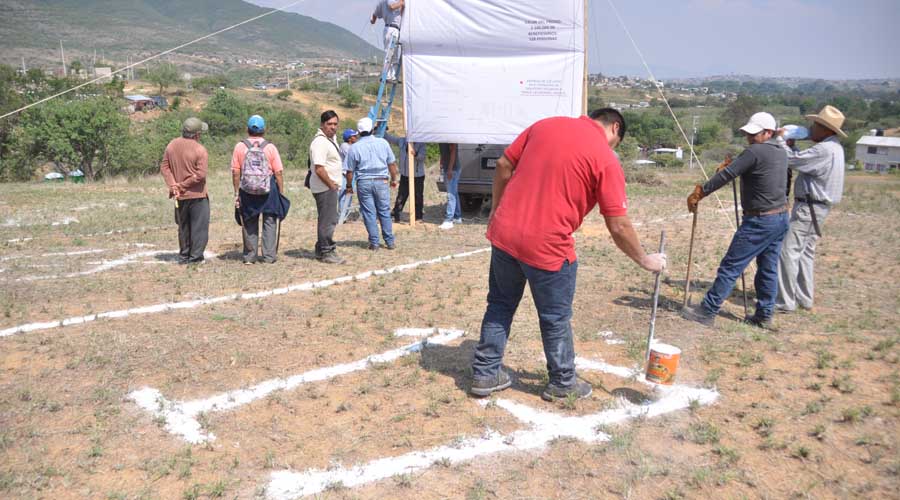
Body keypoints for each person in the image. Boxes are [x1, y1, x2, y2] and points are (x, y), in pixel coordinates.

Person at [469, 108, 667, 401]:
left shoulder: (544, 125)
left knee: (499, 304)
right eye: (617, 141)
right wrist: (644, 259)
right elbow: (618, 224)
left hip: (505, 235)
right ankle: (562, 382)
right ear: (614, 128)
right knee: (555, 318)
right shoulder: (604, 158)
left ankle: (485, 374)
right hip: (548, 246)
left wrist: (498, 210)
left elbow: (502, 165)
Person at [682, 112, 790, 329]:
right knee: (768, 268)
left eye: (754, 134)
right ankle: (764, 316)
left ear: (768, 133)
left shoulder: (755, 151)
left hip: (760, 221)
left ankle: (707, 310)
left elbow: (726, 176)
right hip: (780, 217)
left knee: (731, 266)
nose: (749, 138)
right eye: (748, 134)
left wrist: (700, 192)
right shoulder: (781, 152)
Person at [775, 105, 847, 313]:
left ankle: (785, 302)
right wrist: (793, 147)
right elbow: (804, 162)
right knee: (805, 253)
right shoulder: (833, 148)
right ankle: (804, 298)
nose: (811, 128)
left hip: (809, 208)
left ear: (826, 129)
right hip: (818, 208)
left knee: (788, 252)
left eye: (816, 125)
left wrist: (780, 140)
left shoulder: (823, 149)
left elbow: (791, 160)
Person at [231, 115, 289, 264]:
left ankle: (250, 256)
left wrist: (236, 191)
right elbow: (279, 172)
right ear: (264, 130)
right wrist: (281, 192)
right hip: (269, 189)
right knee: (269, 220)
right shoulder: (270, 147)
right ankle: (269, 256)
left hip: (247, 189)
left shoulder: (240, 146)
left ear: (247, 129)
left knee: (249, 220)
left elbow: (236, 171)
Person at [160, 117, 210, 265]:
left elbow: (164, 167)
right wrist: (180, 186)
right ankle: (195, 258)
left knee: (183, 227)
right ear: (196, 135)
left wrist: (173, 185)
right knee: (199, 228)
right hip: (197, 196)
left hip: (179, 196)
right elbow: (200, 175)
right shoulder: (200, 150)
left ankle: (184, 256)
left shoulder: (171, 145)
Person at [345, 117, 399, 250]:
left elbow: (350, 171)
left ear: (358, 131)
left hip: (364, 182)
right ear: (371, 129)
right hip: (381, 180)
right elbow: (391, 164)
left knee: (369, 213)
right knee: (384, 211)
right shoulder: (383, 143)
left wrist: (349, 186)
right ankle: (389, 241)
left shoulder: (354, 147)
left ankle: (374, 243)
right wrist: (394, 179)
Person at [309, 110, 345, 264]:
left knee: (326, 219)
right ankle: (327, 251)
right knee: (328, 221)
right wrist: (331, 185)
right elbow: (319, 168)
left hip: (328, 187)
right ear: (322, 125)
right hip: (325, 187)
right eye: (329, 124)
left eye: (335, 124)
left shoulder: (329, 139)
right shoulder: (320, 142)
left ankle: (321, 249)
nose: (333, 127)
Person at [385, 132, 426, 222]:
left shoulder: (421, 143)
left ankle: (418, 217)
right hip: (405, 175)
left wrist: (415, 155)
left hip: (417, 176)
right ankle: (396, 214)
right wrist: (382, 131)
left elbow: (422, 157)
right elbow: (391, 138)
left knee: (418, 196)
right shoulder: (402, 141)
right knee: (402, 195)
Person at [370, 0, 404, 81]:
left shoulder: (381, 2)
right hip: (392, 28)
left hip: (390, 28)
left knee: (393, 53)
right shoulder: (392, 1)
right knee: (390, 53)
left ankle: (392, 76)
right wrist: (402, 2)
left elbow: (374, 15)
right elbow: (392, 6)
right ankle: (387, 75)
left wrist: (373, 21)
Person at [439, 143, 462, 230]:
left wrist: (449, 169)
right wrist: (441, 164)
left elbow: (453, 151)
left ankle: (449, 220)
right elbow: (443, 153)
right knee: (454, 193)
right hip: (448, 167)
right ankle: (457, 216)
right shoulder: (441, 137)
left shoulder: (448, 136)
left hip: (453, 169)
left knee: (450, 195)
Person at [338, 128, 359, 225]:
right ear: (349, 138)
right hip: (344, 174)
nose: (356, 137)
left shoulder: (353, 146)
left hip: (351, 174)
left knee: (349, 195)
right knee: (344, 194)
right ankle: (341, 216)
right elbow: (353, 157)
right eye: (354, 136)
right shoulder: (345, 146)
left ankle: (345, 215)